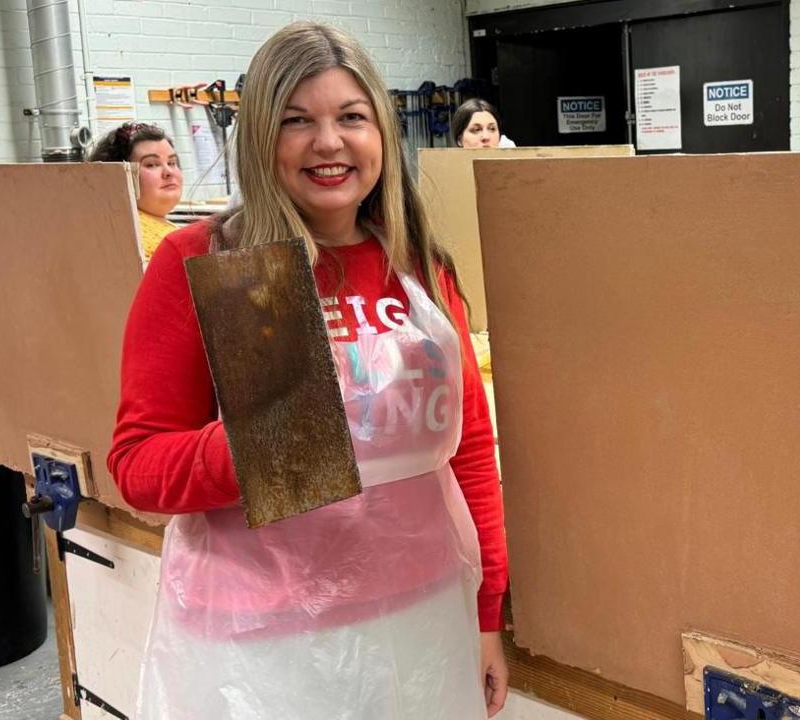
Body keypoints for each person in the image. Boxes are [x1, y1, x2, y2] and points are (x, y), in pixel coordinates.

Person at [107, 21, 509, 719]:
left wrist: (485, 613)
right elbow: (138, 465)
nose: (329, 142)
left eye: (351, 117)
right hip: (260, 648)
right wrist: (266, 443)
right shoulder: (211, 262)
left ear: (382, 131)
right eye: (297, 121)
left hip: (422, 621)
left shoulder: (416, 265)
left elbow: (467, 447)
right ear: (262, 139)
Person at [88, 123, 184, 260]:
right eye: (151, 164)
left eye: (172, 162)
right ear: (119, 175)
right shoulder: (145, 240)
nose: (168, 172)